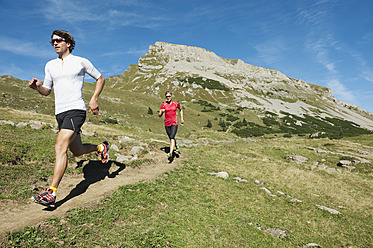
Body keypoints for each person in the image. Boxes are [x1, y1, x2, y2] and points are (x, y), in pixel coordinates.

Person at [29, 30, 109, 206]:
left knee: (60, 147)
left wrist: (94, 98)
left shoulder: (80, 61)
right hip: (60, 113)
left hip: (76, 110)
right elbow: (47, 91)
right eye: (53, 42)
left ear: (69, 43)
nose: (55, 43)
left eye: (58, 40)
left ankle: (51, 192)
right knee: (77, 151)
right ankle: (100, 147)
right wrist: (37, 87)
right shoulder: (50, 65)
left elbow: (100, 78)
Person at [158, 91, 184, 159]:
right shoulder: (163, 104)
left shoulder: (176, 104)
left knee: (172, 137)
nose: (168, 97)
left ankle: (170, 153)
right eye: (166, 96)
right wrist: (161, 111)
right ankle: (176, 145)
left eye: (169, 96)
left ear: (172, 96)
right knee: (170, 138)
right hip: (167, 123)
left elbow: (180, 110)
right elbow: (160, 115)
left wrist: (182, 119)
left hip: (174, 123)